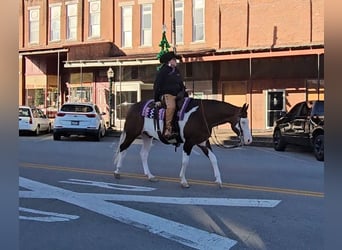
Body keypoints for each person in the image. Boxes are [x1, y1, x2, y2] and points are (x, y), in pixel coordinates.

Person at [153, 51, 186, 139]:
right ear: (169, 61)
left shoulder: (177, 71)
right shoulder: (163, 71)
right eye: (174, 60)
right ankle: (168, 129)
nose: (176, 61)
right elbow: (157, 85)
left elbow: (181, 84)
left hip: (179, 95)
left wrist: (185, 93)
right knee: (172, 107)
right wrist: (156, 99)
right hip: (168, 95)